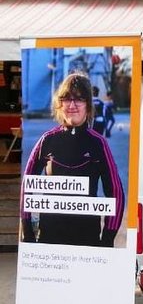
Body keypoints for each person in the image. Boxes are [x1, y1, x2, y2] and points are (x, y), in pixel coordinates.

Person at [20, 73, 125, 247]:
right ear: (59, 105)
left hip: (87, 240)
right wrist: (28, 232)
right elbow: (27, 187)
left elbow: (116, 194)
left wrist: (107, 239)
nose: (72, 105)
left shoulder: (99, 144)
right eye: (66, 99)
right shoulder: (47, 140)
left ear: (88, 106)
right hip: (49, 238)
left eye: (79, 99)